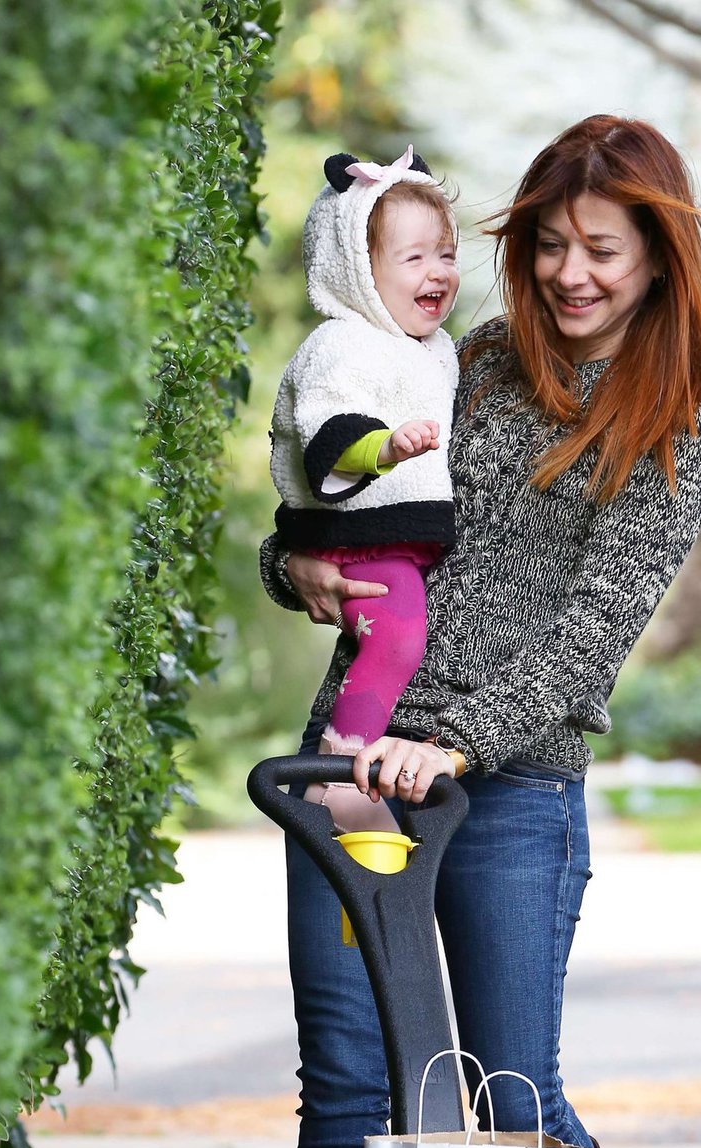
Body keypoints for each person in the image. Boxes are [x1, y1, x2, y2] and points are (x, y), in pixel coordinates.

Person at [259, 115, 701, 1148]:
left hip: (511, 793)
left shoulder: (679, 415)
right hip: (349, 775)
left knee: (507, 1098)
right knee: (344, 1083)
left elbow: (591, 639)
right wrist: (294, 567)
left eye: (602, 250)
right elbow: (339, 508)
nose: (569, 274)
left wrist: (458, 742)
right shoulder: (462, 360)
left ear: (657, 259)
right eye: (548, 245)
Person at [269, 143, 460, 828]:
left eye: (446, 254)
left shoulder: (430, 350)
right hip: (354, 536)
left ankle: (343, 764)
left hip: (389, 537)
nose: (438, 271)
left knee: (396, 635)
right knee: (399, 637)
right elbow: (326, 426)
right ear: (358, 273)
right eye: (414, 258)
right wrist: (383, 448)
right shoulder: (342, 346)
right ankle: (341, 769)